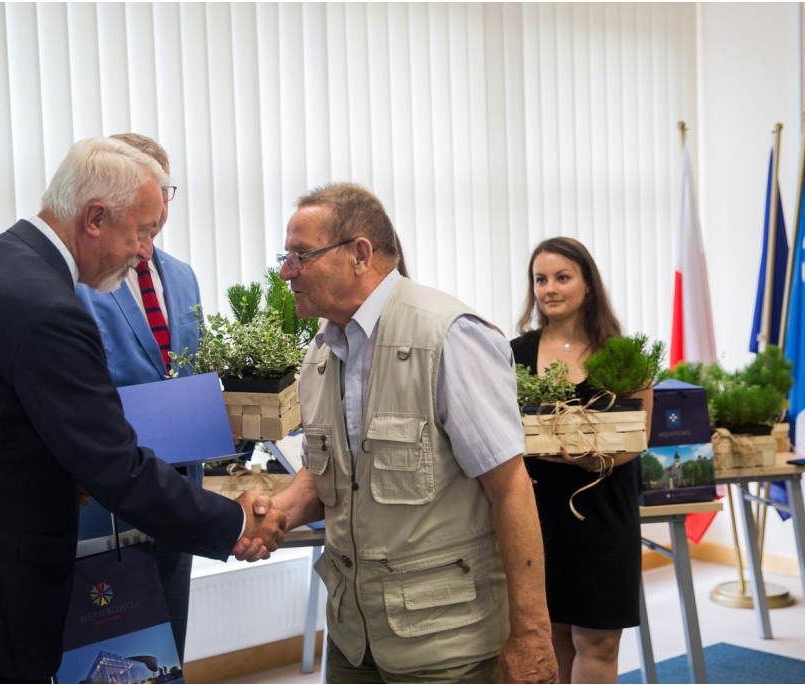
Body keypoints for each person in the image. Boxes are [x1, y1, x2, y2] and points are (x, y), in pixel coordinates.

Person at [0, 137, 286, 684]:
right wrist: (236, 521)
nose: (146, 251)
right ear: (95, 218)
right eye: (143, 230)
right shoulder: (48, 310)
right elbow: (116, 468)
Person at [270, 183, 558, 684]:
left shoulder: (449, 336)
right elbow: (328, 475)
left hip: (446, 647)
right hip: (352, 640)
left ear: (360, 254)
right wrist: (276, 514)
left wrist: (532, 634)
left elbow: (510, 488)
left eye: (300, 255)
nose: (286, 271)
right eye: (286, 255)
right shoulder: (322, 351)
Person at [74, 133, 204, 662]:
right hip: (105, 506)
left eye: (167, 189)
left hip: (180, 494)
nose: (162, 206)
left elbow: (189, 373)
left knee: (168, 653)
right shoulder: (79, 283)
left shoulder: (184, 276)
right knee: (108, 657)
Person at [510, 237, 652, 684]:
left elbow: (640, 433)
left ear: (587, 285)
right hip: (537, 511)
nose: (549, 288)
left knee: (599, 640)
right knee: (550, 635)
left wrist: (599, 462)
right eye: (540, 279)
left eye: (562, 277)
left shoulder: (622, 354)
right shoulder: (514, 354)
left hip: (605, 507)